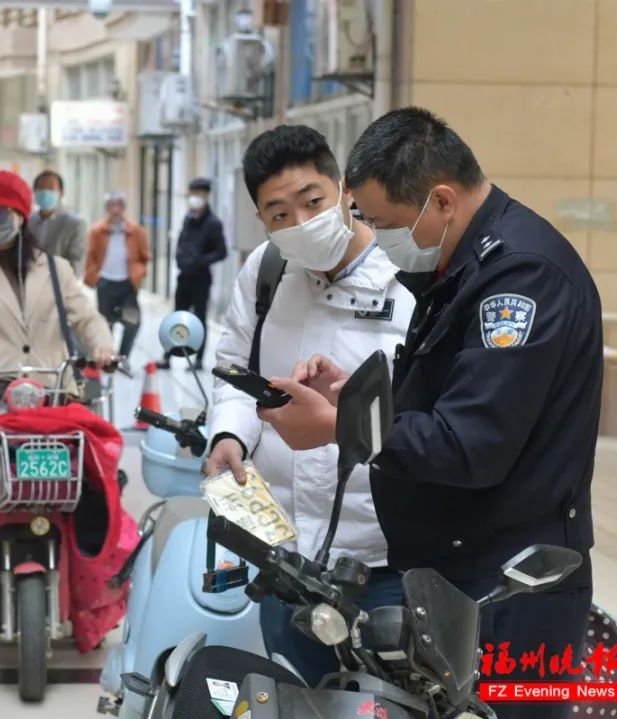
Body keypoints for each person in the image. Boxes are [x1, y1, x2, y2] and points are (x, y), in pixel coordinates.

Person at [257, 108, 602, 719]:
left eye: (386, 224)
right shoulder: (467, 262)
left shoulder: (521, 280)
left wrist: (341, 428)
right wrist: (354, 398)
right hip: (457, 568)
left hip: (510, 584)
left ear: (440, 200)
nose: (382, 240)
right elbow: (450, 389)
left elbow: (472, 443)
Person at [204, 125, 414, 686]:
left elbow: (432, 414)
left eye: (312, 201)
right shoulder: (266, 274)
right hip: (288, 557)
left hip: (385, 556)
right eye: (278, 214)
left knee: (385, 699)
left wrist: (347, 414)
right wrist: (229, 436)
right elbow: (236, 372)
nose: (299, 223)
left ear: (344, 189)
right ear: (261, 221)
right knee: (297, 689)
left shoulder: (409, 279)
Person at [0, 170, 115, 656]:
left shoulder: (55, 269)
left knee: (97, 487)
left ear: (20, 216)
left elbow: (85, 317)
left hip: (57, 399)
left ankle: (89, 594)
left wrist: (103, 347)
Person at [163, 177, 228, 370]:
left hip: (201, 277)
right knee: (176, 316)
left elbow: (221, 252)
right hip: (184, 275)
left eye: (199, 194)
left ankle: (198, 360)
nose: (194, 198)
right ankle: (167, 356)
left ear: (206, 195)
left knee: (199, 317)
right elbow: (182, 242)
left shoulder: (213, 223)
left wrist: (200, 261)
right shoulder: (188, 218)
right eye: (192, 194)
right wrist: (180, 259)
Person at [84, 192, 150, 360]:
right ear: (107, 208)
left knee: (132, 322)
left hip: (127, 284)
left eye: (118, 205)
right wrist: (94, 276)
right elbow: (90, 255)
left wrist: (139, 272)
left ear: (124, 208)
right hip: (105, 282)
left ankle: (123, 357)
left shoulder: (135, 230)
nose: (115, 209)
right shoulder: (97, 230)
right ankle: (108, 358)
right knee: (105, 324)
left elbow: (144, 256)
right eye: (111, 205)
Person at [28, 170, 88, 275]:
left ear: (61, 193)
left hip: (60, 285)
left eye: (50, 189)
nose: (45, 193)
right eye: (41, 189)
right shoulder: (27, 221)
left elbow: (77, 263)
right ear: (34, 192)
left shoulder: (75, 224)